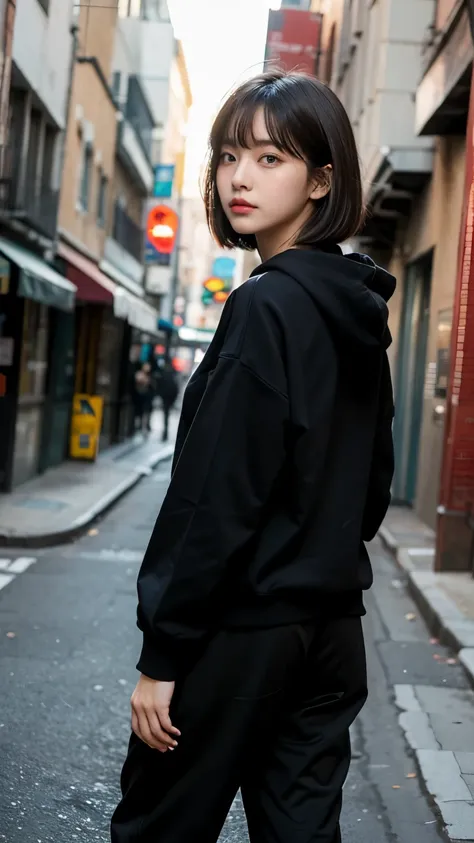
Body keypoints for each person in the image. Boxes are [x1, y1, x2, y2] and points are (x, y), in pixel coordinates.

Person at [111, 70, 395, 843]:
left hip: (240, 635)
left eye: (270, 159)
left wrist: (163, 654)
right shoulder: (360, 308)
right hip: (330, 634)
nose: (239, 176)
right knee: (300, 832)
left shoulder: (266, 303)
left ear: (321, 178)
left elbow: (214, 497)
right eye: (230, 155)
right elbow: (372, 489)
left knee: (160, 827)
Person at [154, 359, 179, 442]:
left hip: (166, 397)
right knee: (166, 414)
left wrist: (160, 395)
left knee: (166, 414)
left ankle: (165, 433)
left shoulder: (164, 374)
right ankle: (165, 432)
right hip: (169, 397)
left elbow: (159, 386)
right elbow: (175, 388)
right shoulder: (172, 374)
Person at [132, 362, 153, 434]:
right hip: (139, 396)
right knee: (139, 412)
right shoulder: (139, 374)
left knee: (145, 412)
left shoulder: (149, 376)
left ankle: (144, 426)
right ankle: (138, 426)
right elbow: (138, 382)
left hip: (146, 397)